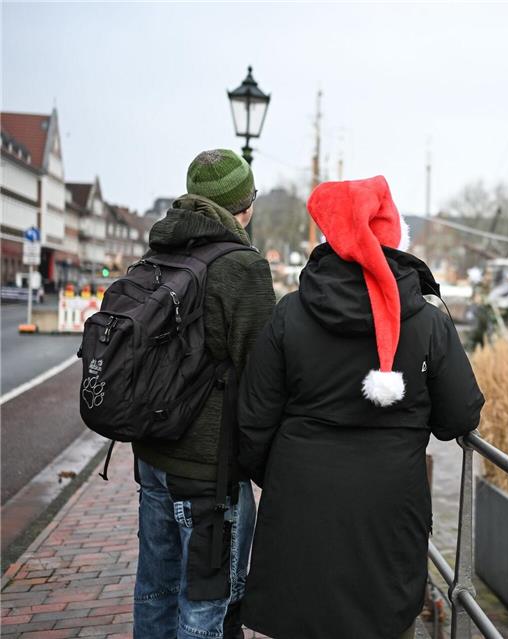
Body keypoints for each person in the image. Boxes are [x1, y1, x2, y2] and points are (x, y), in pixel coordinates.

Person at [238, 175, 484, 638]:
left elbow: (252, 422)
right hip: (389, 507)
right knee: (383, 621)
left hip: (301, 498)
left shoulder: (290, 312)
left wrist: (285, 477)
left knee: (300, 619)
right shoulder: (428, 320)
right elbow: (460, 416)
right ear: (393, 239)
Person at [133, 149, 276, 639]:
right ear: (244, 205)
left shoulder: (158, 251)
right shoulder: (243, 268)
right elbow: (262, 374)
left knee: (154, 588)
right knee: (207, 602)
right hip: (207, 472)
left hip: (151, 452)